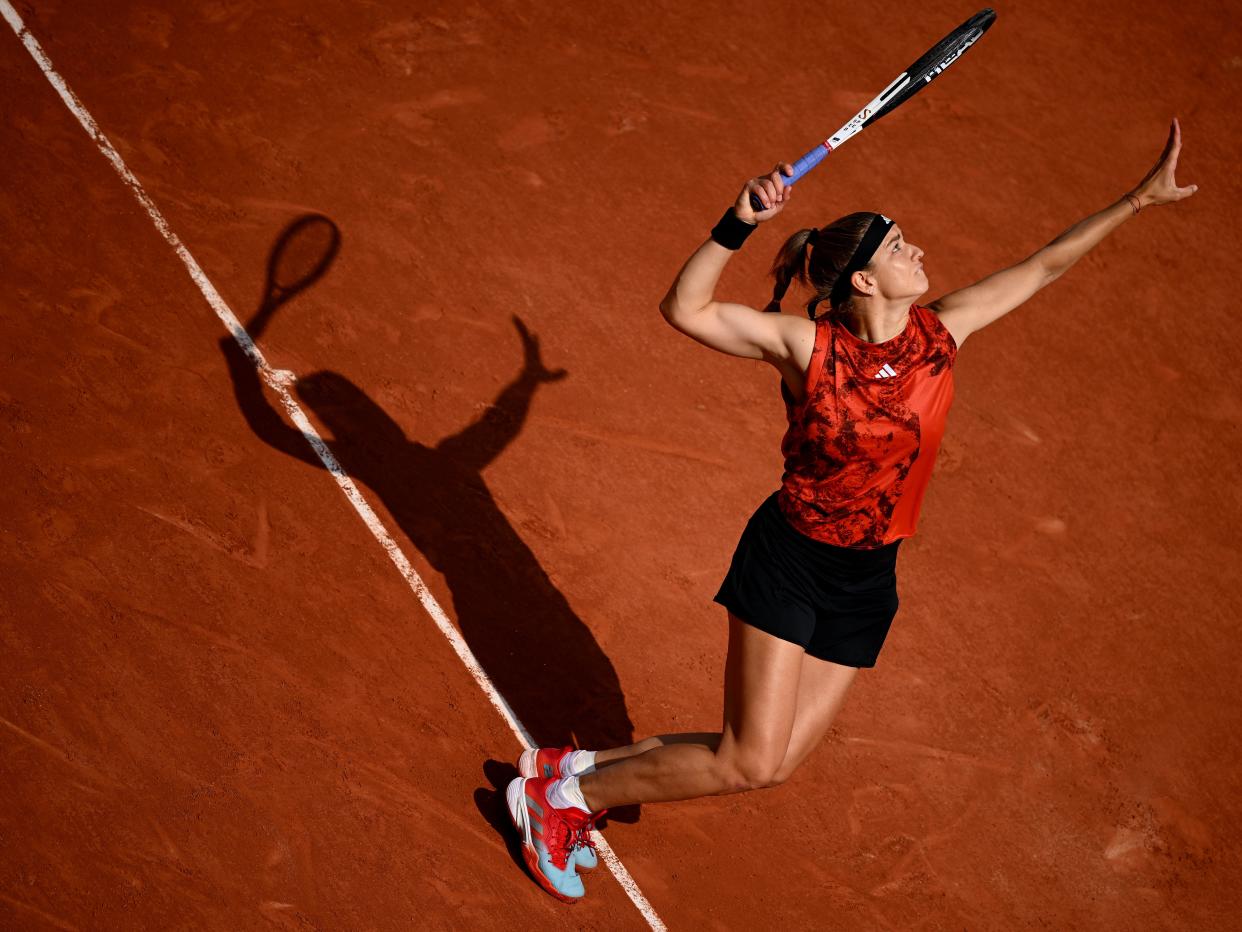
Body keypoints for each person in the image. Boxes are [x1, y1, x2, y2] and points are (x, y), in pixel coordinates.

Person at [503, 119, 1197, 902]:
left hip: (869, 580)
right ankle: (554, 802)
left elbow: (1043, 267)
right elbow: (685, 310)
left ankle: (578, 770)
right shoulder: (808, 349)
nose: (917, 251)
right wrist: (738, 223)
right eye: (898, 246)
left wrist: (1139, 199)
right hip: (793, 563)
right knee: (750, 761)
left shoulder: (943, 333)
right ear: (863, 280)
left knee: (780, 760)